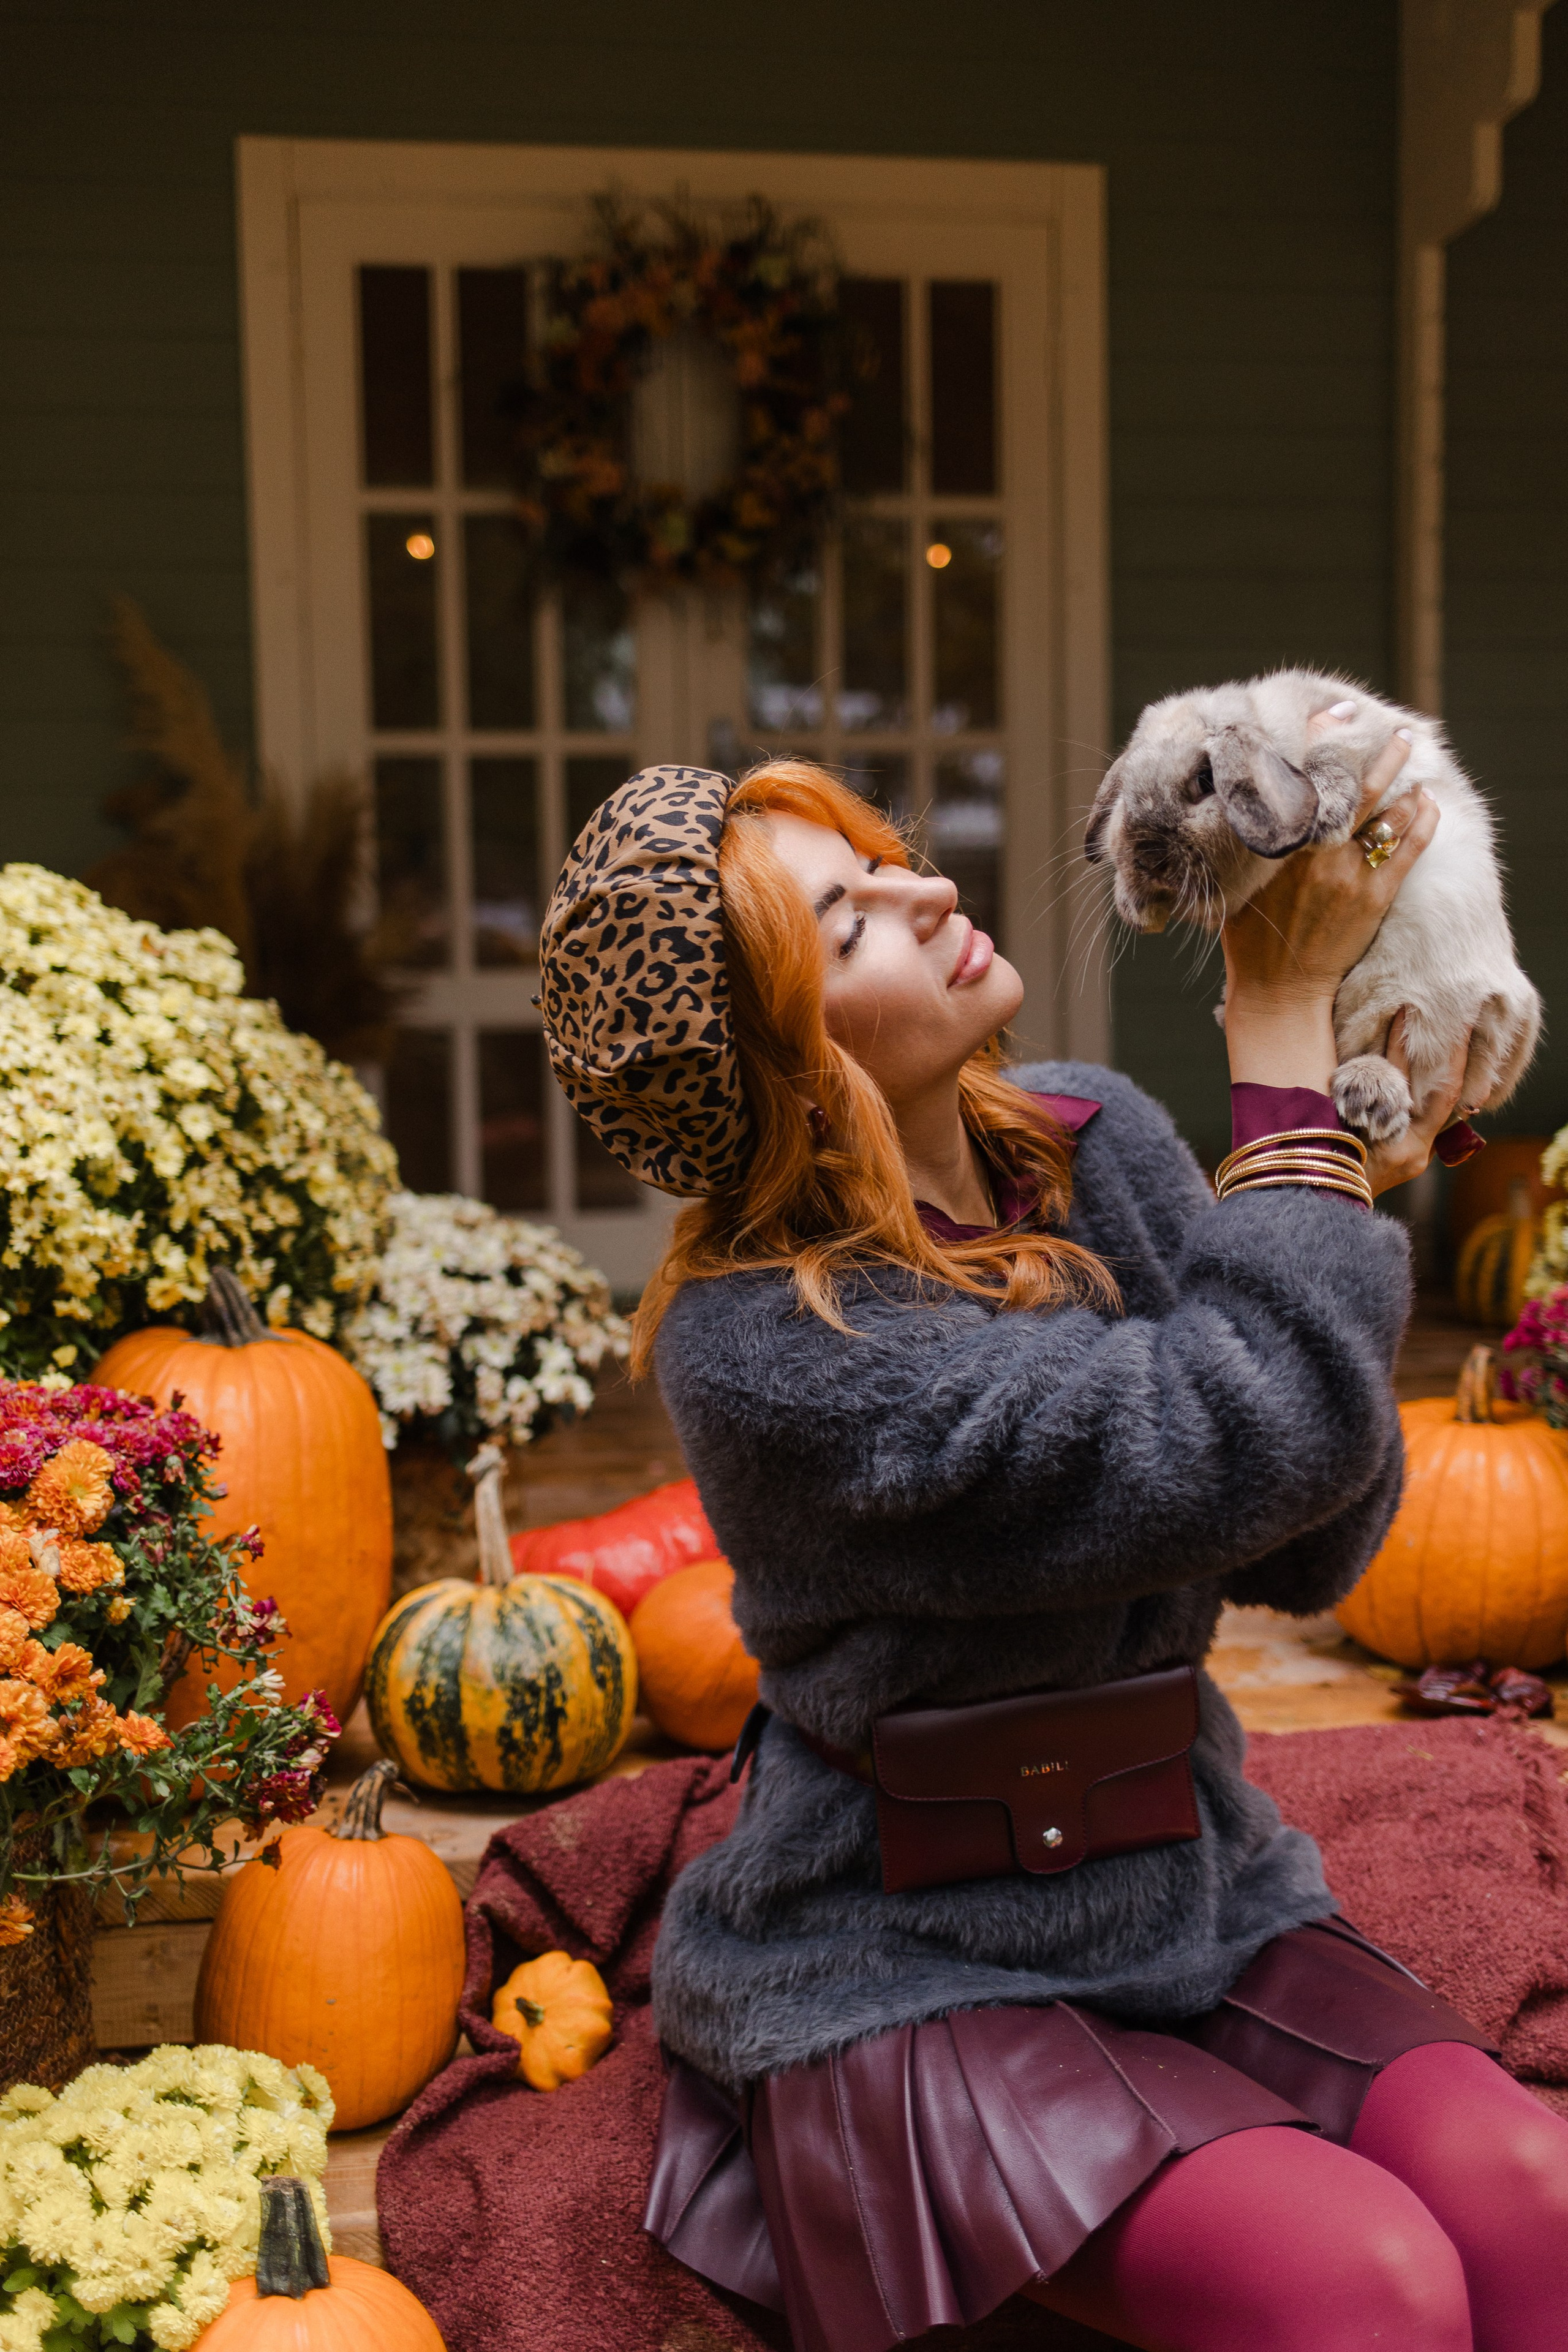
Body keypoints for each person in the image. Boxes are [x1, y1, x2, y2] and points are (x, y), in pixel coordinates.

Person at [536, 732, 1568, 2352]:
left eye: (887, 855)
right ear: (783, 1061)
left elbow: (1311, 1530)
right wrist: (1285, 1050)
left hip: (1188, 1883)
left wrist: (1320, 1180)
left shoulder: (1091, 1144)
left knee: (1530, 2191)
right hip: (904, 1958)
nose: (932, 886)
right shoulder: (763, 1352)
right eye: (855, 919)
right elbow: (1256, 1434)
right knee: (1364, 2282)